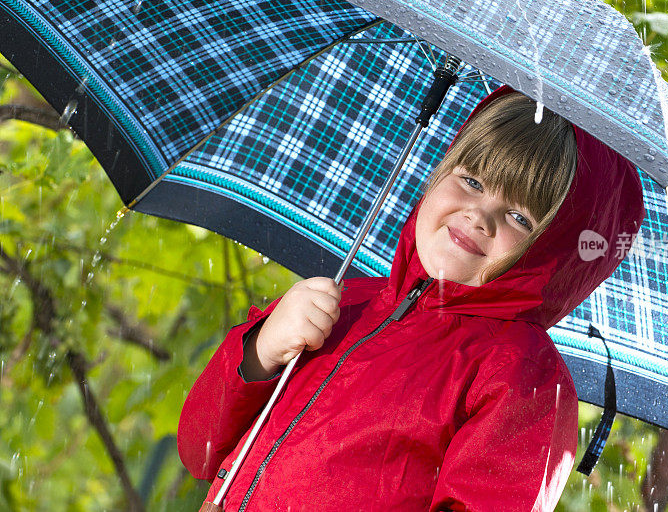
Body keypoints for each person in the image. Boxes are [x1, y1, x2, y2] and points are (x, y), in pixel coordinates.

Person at [177, 85, 644, 511]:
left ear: (555, 257)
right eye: (472, 181)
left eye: (520, 218)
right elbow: (199, 448)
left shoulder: (523, 375)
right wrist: (260, 351)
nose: (478, 216)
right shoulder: (346, 302)